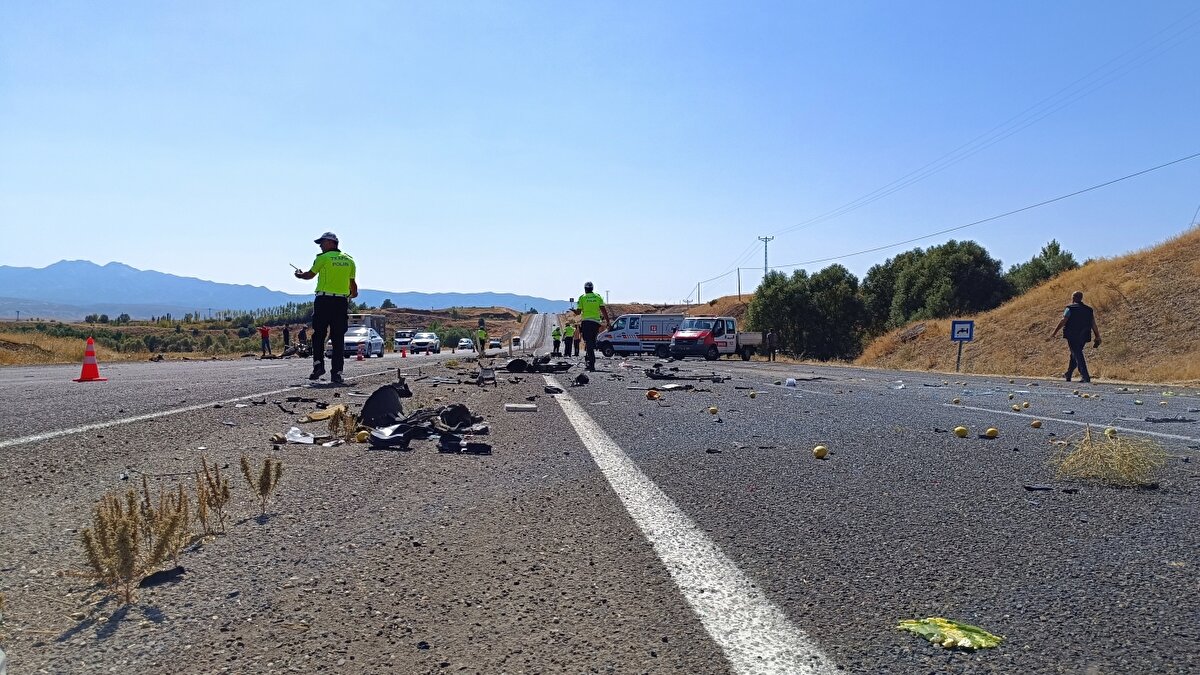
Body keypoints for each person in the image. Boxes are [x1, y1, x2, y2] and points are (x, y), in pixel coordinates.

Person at [294, 232, 357, 384]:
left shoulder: (322, 258)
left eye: (322, 243)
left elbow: (310, 275)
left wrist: (299, 275)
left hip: (323, 300)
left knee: (318, 335)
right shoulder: (349, 260)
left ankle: (318, 366)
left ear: (330, 242)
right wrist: (351, 295)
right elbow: (353, 285)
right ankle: (337, 373)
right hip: (341, 302)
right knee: (338, 338)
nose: (321, 246)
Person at [1049, 290, 1101, 383]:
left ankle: (1085, 376)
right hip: (1084, 335)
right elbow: (1093, 324)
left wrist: (1054, 332)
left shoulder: (1070, 308)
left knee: (1077, 354)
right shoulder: (1089, 310)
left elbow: (1063, 321)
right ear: (1081, 298)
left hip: (1072, 335)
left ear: (1073, 298)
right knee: (1075, 353)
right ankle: (1068, 374)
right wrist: (1097, 336)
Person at [574, 281, 611, 371]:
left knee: (588, 342)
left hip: (586, 322)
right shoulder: (598, 297)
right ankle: (589, 360)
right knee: (591, 341)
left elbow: (578, 312)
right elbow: (603, 310)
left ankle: (591, 362)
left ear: (585, 289)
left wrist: (574, 311)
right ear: (592, 288)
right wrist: (608, 322)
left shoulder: (582, 298)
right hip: (595, 323)